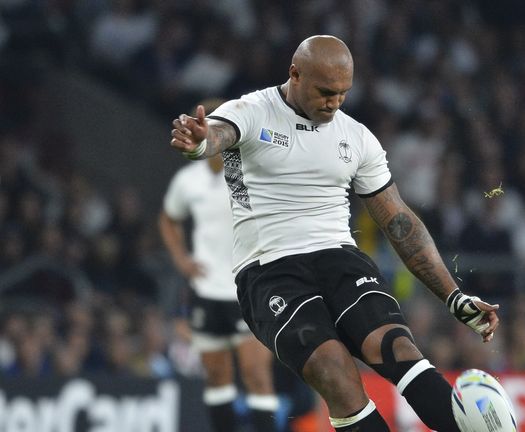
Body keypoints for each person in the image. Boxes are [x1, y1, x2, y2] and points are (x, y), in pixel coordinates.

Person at [169, 35, 500, 431]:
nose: (334, 103)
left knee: (396, 348)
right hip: (268, 270)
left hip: (339, 257)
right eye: (326, 92)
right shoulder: (252, 110)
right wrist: (199, 141)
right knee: (334, 369)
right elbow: (218, 135)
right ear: (295, 73)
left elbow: (399, 222)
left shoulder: (357, 137)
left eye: (343, 94)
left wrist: (454, 296)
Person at [159, 99, 279, 432]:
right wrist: (181, 259)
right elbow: (169, 219)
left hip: (248, 290)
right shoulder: (189, 181)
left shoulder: (251, 171)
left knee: (256, 373)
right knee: (217, 376)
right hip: (207, 291)